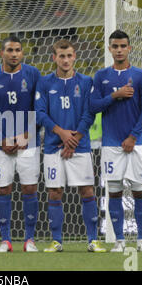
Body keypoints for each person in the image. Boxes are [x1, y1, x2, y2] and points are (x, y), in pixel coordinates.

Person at [35, 39, 106, 253]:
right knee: (54, 192)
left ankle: (92, 240)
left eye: (69, 56)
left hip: (80, 147)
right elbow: (40, 113)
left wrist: (74, 139)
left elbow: (90, 112)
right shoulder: (45, 83)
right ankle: (57, 241)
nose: (65, 60)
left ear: (75, 56)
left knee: (87, 191)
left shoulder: (86, 82)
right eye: (61, 56)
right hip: (53, 147)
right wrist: (62, 133)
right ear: (54, 58)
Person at [89, 30, 142, 252]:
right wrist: (115, 96)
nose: (119, 50)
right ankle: (119, 241)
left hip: (135, 144)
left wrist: (134, 136)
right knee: (114, 191)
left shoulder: (140, 75)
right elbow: (93, 106)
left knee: (139, 191)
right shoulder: (101, 76)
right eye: (115, 46)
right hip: (111, 144)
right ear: (109, 49)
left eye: (122, 46)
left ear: (129, 48)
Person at [0, 35, 41, 252]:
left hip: (29, 144)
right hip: (0, 145)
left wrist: (27, 135)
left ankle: (29, 239)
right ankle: (5, 240)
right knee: (3, 189)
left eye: (17, 50)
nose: (14, 54)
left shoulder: (33, 74)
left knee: (30, 188)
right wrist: (0, 139)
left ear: (22, 53)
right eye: (10, 50)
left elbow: (39, 109)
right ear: (2, 53)